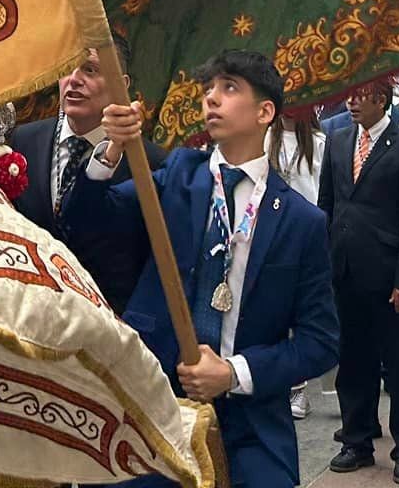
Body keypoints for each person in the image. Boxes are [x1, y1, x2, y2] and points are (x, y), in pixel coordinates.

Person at [65, 50, 338, 488]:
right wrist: (113, 147)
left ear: (265, 111)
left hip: (250, 422)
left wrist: (233, 374)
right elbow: (88, 220)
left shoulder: (301, 222)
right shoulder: (177, 175)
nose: (211, 98)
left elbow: (320, 342)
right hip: (155, 407)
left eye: (229, 87)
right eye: (208, 88)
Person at [320, 80, 399, 482]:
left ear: (380, 100)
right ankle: (357, 438)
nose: (350, 101)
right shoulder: (336, 141)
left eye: (359, 96)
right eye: (348, 95)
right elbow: (328, 205)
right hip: (345, 270)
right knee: (353, 361)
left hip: (389, 276)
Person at [6, 38, 162, 309]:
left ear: (120, 85)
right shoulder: (23, 140)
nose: (74, 79)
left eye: (90, 70)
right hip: (27, 307)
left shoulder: (149, 163)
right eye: (68, 68)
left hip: (109, 319)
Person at [268, 102, 328, 419]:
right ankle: (286, 384)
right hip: (274, 231)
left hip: (308, 230)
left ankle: (299, 388)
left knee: (304, 310)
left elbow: (324, 188)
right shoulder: (267, 138)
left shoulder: (319, 143)